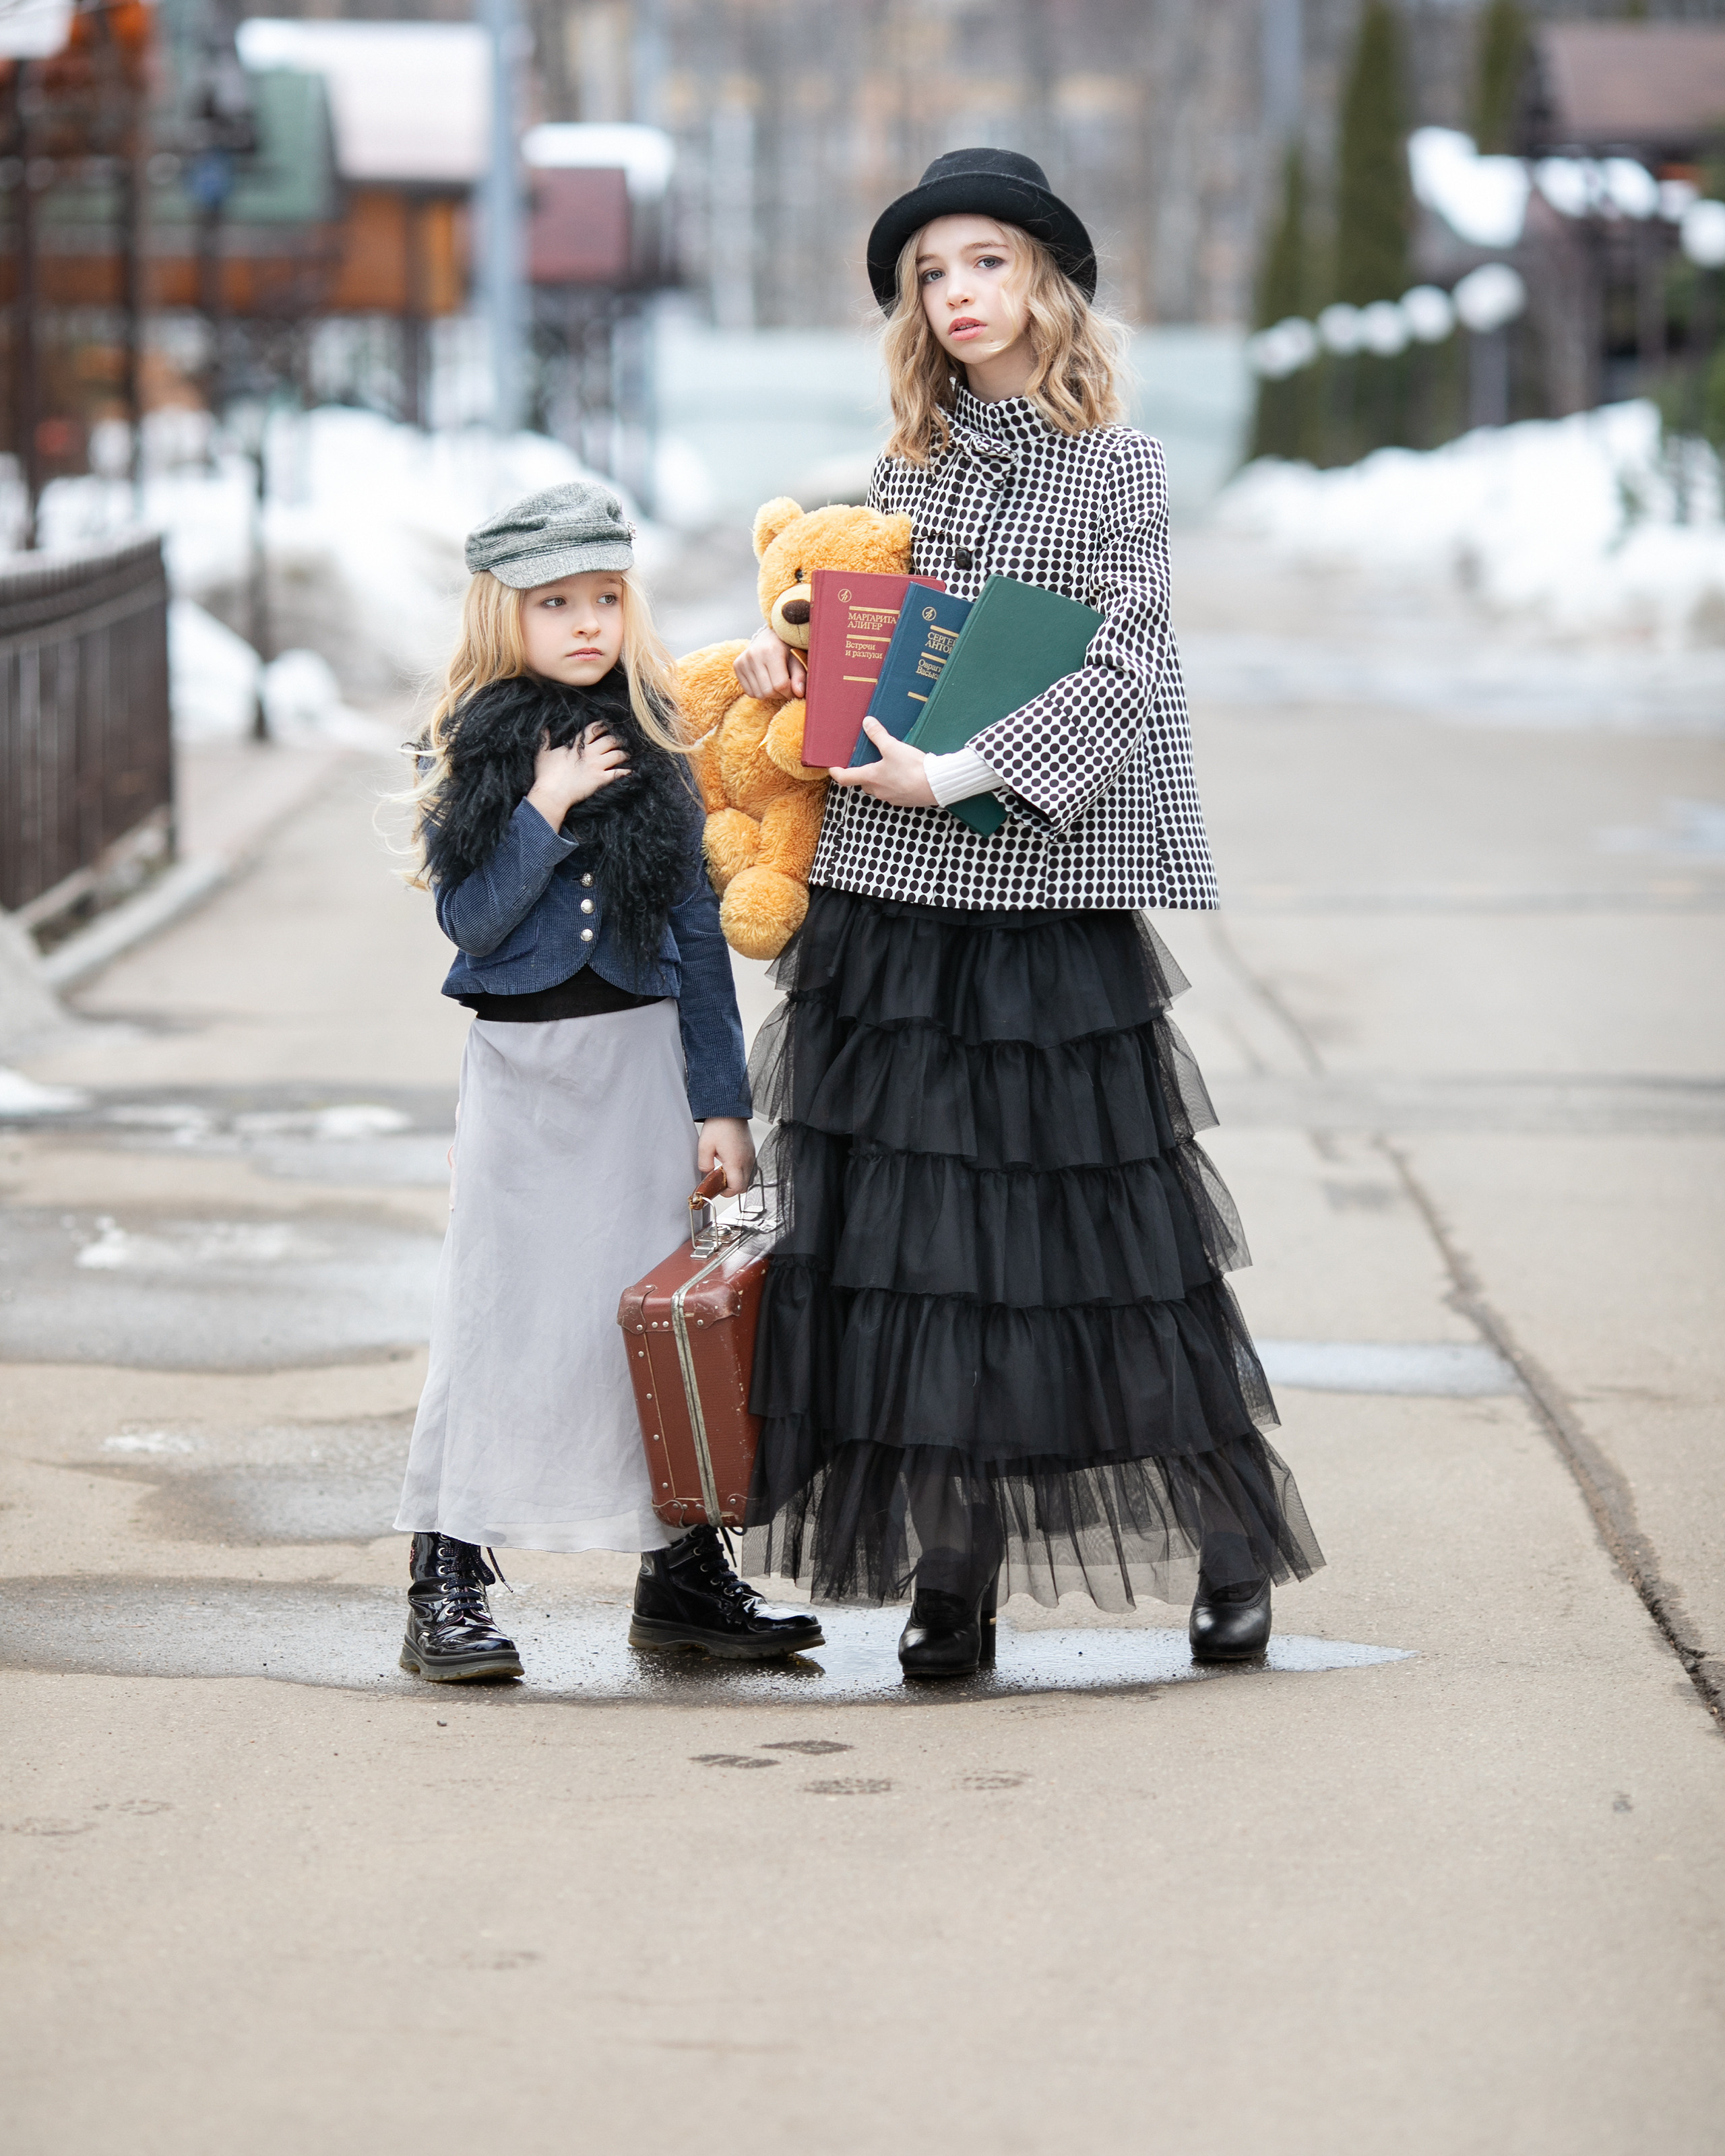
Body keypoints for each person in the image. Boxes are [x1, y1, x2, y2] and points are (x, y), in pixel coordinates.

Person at [733, 149, 1324, 1678]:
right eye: (931, 275)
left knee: (1097, 1241)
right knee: (917, 1250)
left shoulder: (1118, 467)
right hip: (890, 903)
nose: (956, 296)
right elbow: (856, 639)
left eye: (984, 263)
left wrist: (968, 768)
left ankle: (1231, 1537)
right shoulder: (903, 475)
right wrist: (786, 671)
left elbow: (1122, 671)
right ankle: (954, 1567)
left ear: (1047, 282)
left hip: (1041, 901)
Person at [394, 480, 823, 1680]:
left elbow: (693, 935)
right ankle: (447, 1582)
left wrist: (720, 1104)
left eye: (605, 599)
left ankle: (685, 1579)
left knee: (661, 1323)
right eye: (557, 603)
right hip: (528, 1073)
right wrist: (545, 802)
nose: (587, 624)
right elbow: (474, 926)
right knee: (498, 1320)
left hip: (639, 1068)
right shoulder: (481, 746)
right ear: (505, 615)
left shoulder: (657, 737)